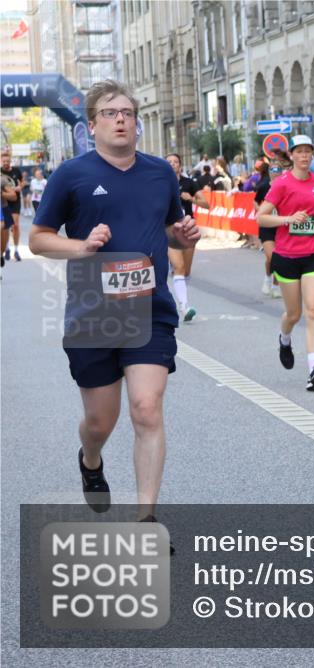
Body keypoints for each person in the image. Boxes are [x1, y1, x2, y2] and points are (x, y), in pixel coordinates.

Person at [28, 80, 200, 536]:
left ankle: (146, 520)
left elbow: (166, 228)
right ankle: (91, 459)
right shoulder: (72, 175)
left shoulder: (160, 172)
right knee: (100, 421)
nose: (121, 119)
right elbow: (38, 239)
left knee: (146, 408)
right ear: (92, 125)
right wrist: (81, 246)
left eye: (127, 112)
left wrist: (181, 236)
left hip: (150, 308)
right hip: (94, 312)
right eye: (110, 113)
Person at [255, 135, 314, 391]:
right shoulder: (281, 184)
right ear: (292, 155)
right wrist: (288, 219)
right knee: (294, 314)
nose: (304, 156)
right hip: (287, 256)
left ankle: (313, 370)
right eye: (299, 152)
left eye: (308, 151)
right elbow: (261, 217)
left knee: (313, 310)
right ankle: (285, 338)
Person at [165, 153, 204, 323]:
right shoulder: (160, 183)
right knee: (179, 267)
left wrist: (192, 199)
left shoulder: (189, 183)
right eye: (169, 162)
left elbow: (206, 203)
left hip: (187, 230)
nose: (173, 164)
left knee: (186, 271)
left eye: (175, 162)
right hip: (169, 229)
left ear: (180, 165)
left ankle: (181, 295)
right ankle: (184, 306)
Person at [254, 155, 283, 299]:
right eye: (273, 169)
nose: (275, 172)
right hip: (266, 226)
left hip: (281, 225)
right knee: (271, 257)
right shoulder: (264, 186)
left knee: (279, 257)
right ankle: (267, 277)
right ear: (269, 171)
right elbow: (255, 201)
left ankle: (276, 286)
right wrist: (260, 211)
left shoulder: (285, 186)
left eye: (278, 170)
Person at [1, 149, 24, 261]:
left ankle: (16, 250)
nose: (6, 163)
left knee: (15, 225)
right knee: (5, 226)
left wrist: (20, 187)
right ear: (1, 161)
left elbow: (23, 181)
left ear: (10, 161)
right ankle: (6, 248)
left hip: (15, 201)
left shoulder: (16, 171)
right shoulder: (0, 172)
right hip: (4, 201)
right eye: (4, 161)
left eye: (7, 161)